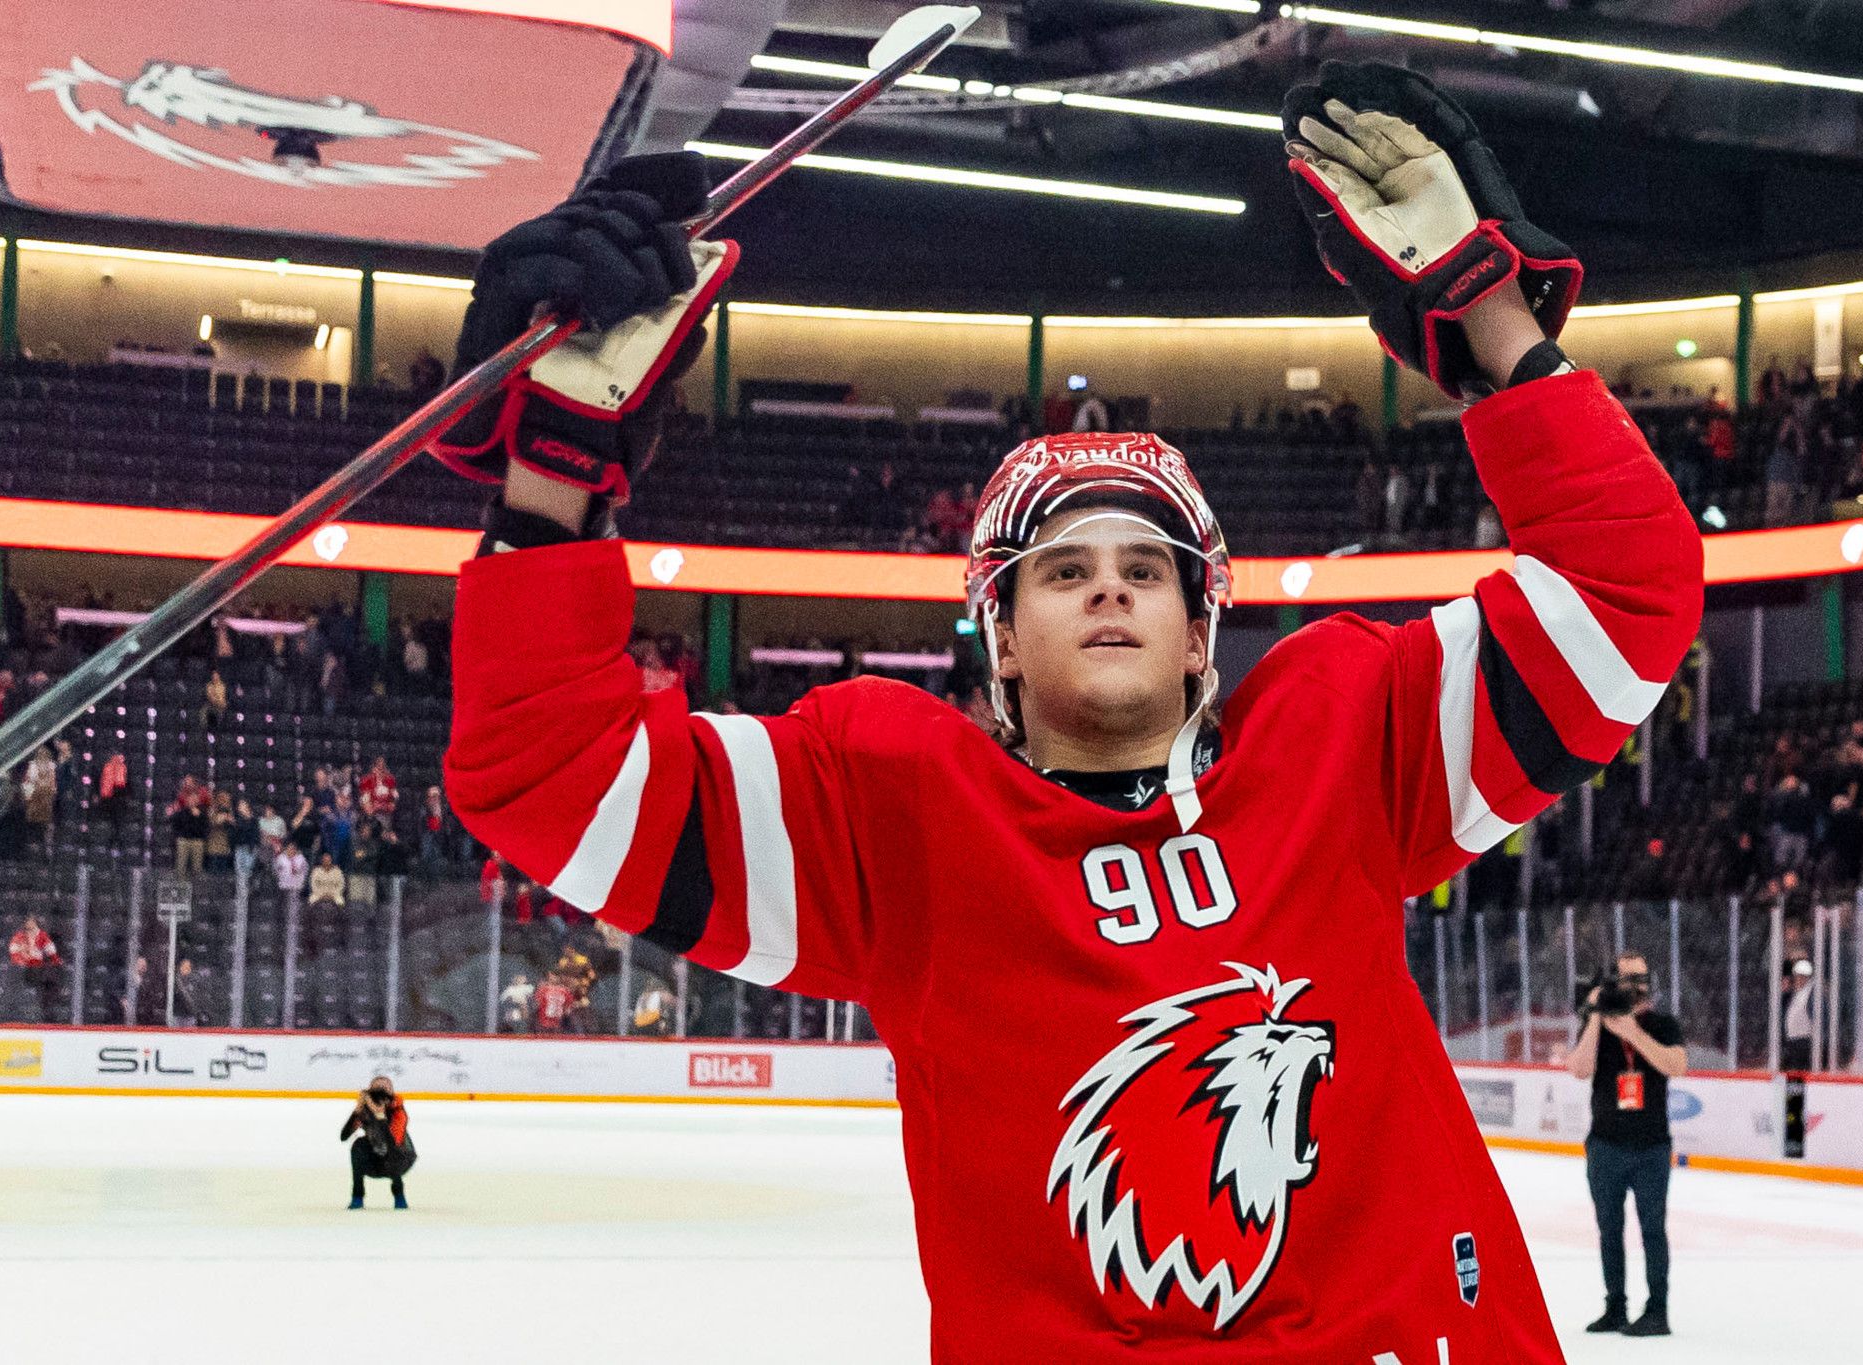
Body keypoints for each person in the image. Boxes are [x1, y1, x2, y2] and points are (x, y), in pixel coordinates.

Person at [438, 71, 1700, 1360]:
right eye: (1060, 568)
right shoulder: (895, 815)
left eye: (1146, 568)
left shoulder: (1339, 745)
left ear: (1203, 631)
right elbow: (543, 774)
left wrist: (1486, 318)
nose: (1107, 582)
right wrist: (553, 482)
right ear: (997, 637)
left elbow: (1625, 594)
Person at [1564, 952, 1688, 1337]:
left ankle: (1657, 1310)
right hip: (1606, 1145)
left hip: (1651, 1147)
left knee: (1653, 1229)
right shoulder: (1595, 1026)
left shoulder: (1663, 1024)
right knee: (1609, 1230)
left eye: (1641, 978)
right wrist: (1598, 1017)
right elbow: (1579, 1068)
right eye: (1627, 979)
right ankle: (1615, 1306)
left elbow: (1676, 1065)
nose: (1635, 986)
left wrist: (1633, 1032)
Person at [340, 1076, 415, 1209]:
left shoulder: (398, 1112)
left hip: (400, 1158)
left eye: (385, 1090)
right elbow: (344, 1136)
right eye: (376, 1090)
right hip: (375, 1159)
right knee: (358, 1144)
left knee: (392, 1152)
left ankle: (399, 1195)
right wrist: (357, 1111)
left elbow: (392, 1144)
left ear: (392, 1093)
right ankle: (357, 1196)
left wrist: (380, 1116)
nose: (381, 1095)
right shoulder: (365, 1111)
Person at [6, 914, 61, 1020]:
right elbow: (14, 952)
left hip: (38, 970)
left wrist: (53, 960)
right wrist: (21, 960)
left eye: (32, 922)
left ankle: (42, 1014)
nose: (30, 924)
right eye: (28, 921)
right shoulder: (19, 936)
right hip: (23, 970)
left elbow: (51, 952)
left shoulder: (42, 936)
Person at [1781, 957, 1816, 1072]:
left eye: (1801, 976)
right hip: (1792, 1039)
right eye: (1796, 976)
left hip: (1804, 1040)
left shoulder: (1812, 993)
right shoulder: (1795, 993)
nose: (1798, 979)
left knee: (1800, 1072)